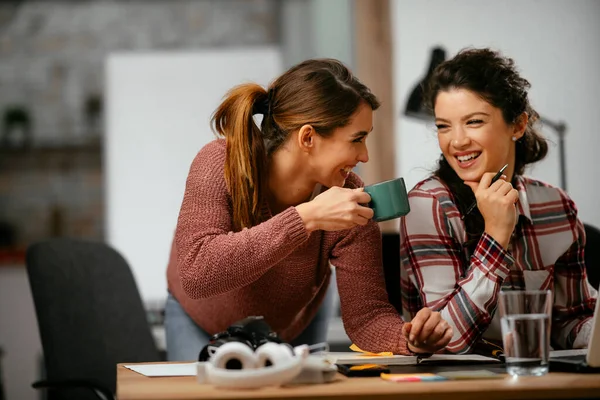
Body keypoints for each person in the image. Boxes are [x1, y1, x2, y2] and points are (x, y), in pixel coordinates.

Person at [164, 59, 453, 361]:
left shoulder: (348, 199)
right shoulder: (220, 163)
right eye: (357, 139)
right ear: (308, 138)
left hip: (292, 324)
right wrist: (306, 217)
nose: (364, 156)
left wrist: (408, 338)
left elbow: (367, 317)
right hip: (198, 319)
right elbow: (197, 272)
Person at [400, 48, 598, 355]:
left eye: (474, 122)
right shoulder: (428, 205)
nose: (457, 141)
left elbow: (569, 320)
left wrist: (593, 330)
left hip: (535, 380)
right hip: (451, 385)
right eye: (443, 126)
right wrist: (495, 236)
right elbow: (447, 339)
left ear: (518, 126)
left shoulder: (556, 206)